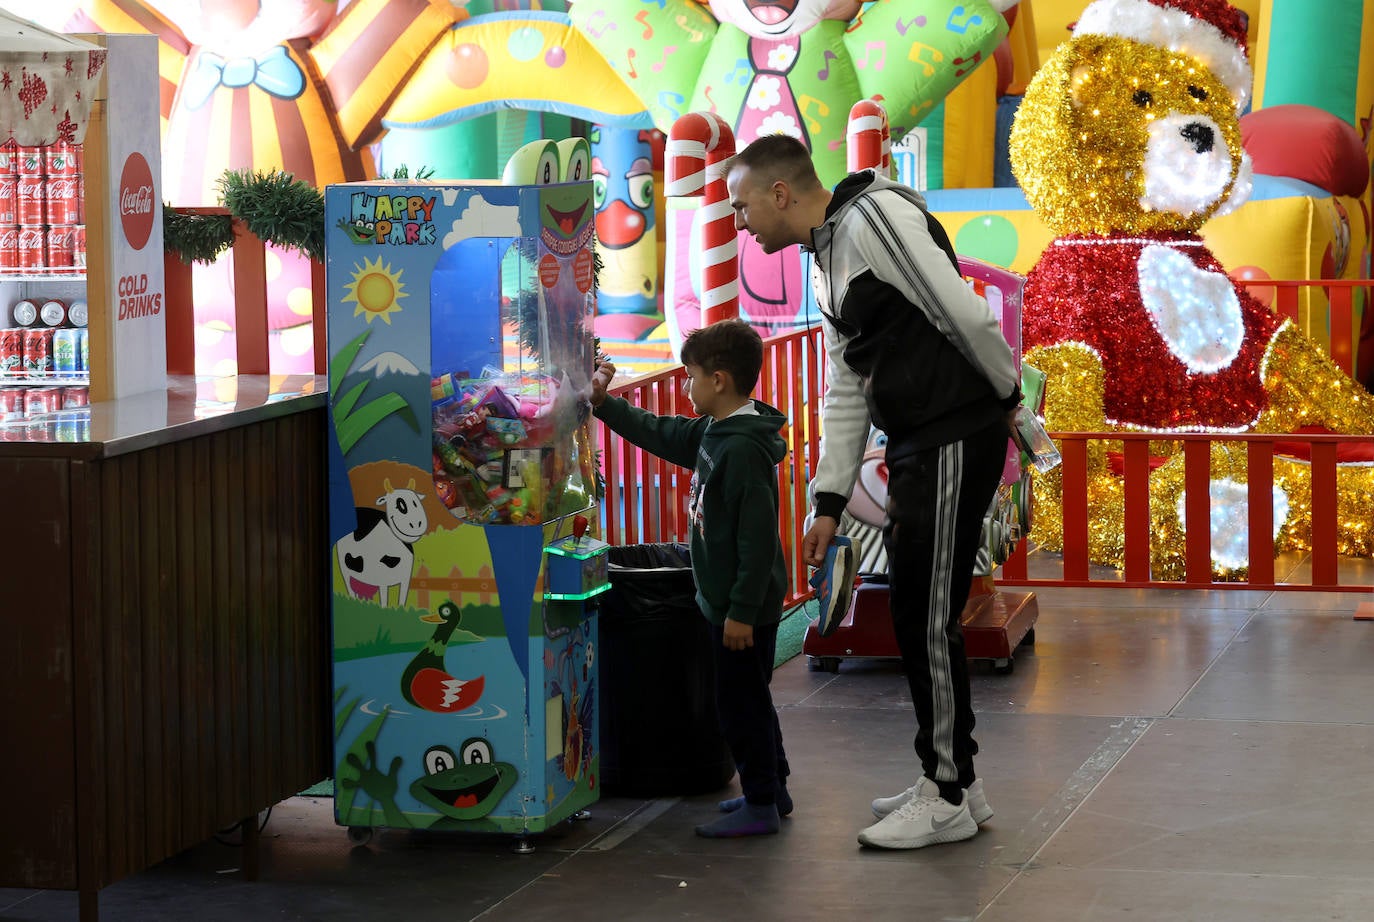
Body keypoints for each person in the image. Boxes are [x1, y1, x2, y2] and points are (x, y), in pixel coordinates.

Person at [725, 134, 1021, 850]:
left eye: (742, 206)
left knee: (926, 617)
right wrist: (829, 501)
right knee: (922, 614)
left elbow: (962, 310)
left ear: (780, 193)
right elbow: (846, 385)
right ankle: (955, 780)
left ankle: (946, 791)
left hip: (952, 431)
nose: (739, 223)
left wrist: (1009, 396)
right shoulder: (825, 256)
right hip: (920, 440)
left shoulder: (874, 219)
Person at [590, 319, 793, 838]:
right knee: (751, 696)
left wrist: (741, 612)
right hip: (725, 603)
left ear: (719, 380)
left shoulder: (742, 449)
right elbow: (663, 433)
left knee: (739, 704)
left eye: (691, 376)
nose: (686, 386)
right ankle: (772, 787)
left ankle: (762, 802)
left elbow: (757, 541)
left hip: (741, 609)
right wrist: (605, 404)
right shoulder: (716, 432)